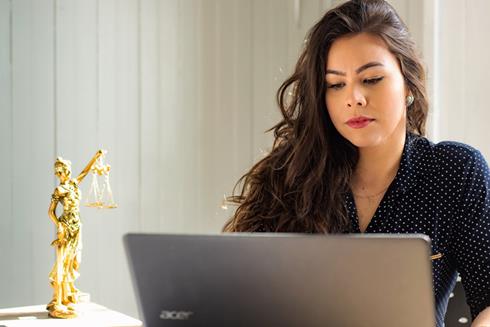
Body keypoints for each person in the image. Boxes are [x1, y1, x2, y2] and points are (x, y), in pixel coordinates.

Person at [222, 0, 490, 326]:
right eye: (336, 85)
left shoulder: (453, 171)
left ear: (407, 82)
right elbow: (237, 298)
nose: (354, 99)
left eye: (372, 79)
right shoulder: (289, 176)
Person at [47, 150, 104, 318]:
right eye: (56, 172)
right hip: (66, 227)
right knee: (62, 262)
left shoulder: (73, 184)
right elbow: (51, 212)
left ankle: (68, 294)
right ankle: (59, 300)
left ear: (67, 171)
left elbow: (85, 172)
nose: (58, 174)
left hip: (77, 226)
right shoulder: (59, 189)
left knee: (75, 261)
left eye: (60, 171)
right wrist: (59, 226)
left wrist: (95, 157)